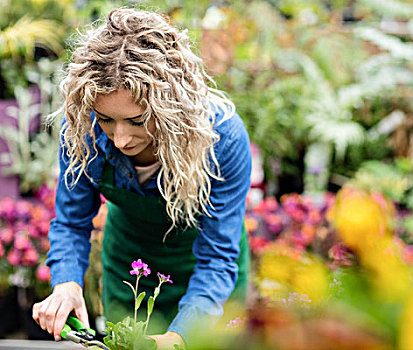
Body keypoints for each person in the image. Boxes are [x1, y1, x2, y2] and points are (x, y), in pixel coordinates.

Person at [31, 8, 251, 349]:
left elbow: (217, 258)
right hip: (130, 269)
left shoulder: (222, 138)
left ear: (171, 105)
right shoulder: (83, 129)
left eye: (137, 121)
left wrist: (179, 338)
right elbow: (72, 223)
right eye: (106, 119)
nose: (119, 139)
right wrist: (67, 284)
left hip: (207, 277)